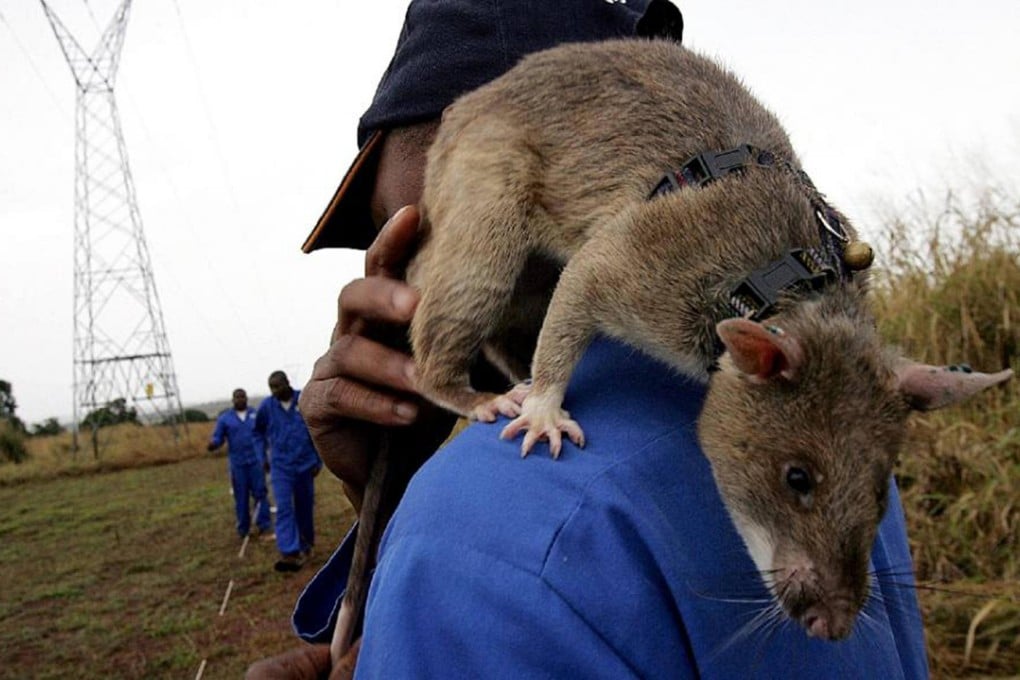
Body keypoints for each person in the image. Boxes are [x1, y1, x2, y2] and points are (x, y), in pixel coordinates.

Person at [249, 1, 929, 678]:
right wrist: (395, 483)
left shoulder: (481, 531)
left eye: (418, 228)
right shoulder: (844, 427)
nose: (390, 276)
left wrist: (435, 518)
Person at [255, 370, 323, 572]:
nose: (275, 391)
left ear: (287, 383)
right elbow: (257, 433)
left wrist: (318, 460)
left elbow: (317, 430)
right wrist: (262, 457)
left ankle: (306, 544)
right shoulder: (267, 407)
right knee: (284, 507)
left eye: (278, 386)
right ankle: (289, 552)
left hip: (305, 465)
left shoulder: (304, 400)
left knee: (304, 507)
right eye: (271, 387)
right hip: (280, 466)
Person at [207, 388, 272, 541]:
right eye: (237, 397)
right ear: (233, 400)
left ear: (247, 398)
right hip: (238, 465)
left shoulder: (255, 414)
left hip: (256, 462)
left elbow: (265, 434)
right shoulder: (225, 418)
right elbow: (218, 437)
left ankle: (264, 526)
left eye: (242, 397)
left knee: (260, 494)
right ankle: (244, 529)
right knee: (241, 496)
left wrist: (266, 457)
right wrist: (214, 444)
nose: (240, 399)